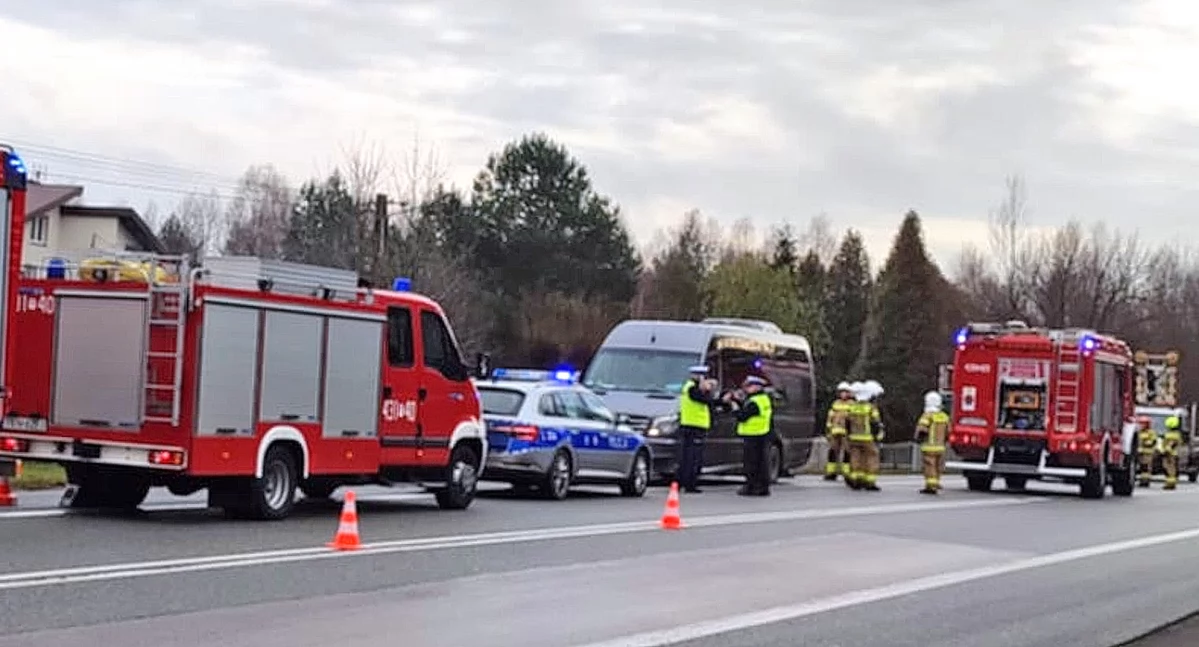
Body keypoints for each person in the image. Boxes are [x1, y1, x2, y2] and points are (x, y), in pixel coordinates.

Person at [726, 375, 773, 496]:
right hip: (761, 434)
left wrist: (734, 408)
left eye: (749, 386)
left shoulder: (755, 402)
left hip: (753, 435)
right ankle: (762, 487)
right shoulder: (762, 399)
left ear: (757, 387)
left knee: (751, 463)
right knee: (761, 463)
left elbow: (743, 416)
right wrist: (736, 400)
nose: (747, 389)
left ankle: (751, 486)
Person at [677, 364, 720, 493]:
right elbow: (705, 401)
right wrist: (708, 391)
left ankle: (681, 482)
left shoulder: (691, 387)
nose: (706, 380)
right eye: (703, 377)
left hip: (693, 425)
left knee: (688, 456)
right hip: (694, 426)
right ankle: (689, 484)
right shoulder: (692, 389)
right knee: (692, 457)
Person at [846, 381, 883, 491]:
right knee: (871, 458)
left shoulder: (852, 407)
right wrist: (877, 436)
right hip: (867, 438)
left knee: (856, 458)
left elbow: (847, 422)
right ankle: (870, 482)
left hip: (854, 437)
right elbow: (875, 423)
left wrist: (849, 435)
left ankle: (856, 479)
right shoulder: (870, 408)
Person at [914, 390, 949, 494]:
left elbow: (922, 430)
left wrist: (917, 439)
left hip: (929, 447)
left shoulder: (927, 415)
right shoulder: (944, 416)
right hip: (940, 448)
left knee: (929, 466)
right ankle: (936, 483)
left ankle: (930, 486)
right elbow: (948, 432)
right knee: (938, 466)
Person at [824, 382, 853, 481]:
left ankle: (846, 473)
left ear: (849, 393)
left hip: (846, 432)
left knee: (847, 452)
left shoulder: (852, 404)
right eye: (842, 392)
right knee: (832, 452)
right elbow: (830, 417)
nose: (843, 394)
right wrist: (828, 430)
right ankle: (831, 473)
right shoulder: (835, 403)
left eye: (845, 392)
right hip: (835, 431)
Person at [1162, 415, 1183, 491]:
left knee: (1170, 469)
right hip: (1173, 453)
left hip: (1170, 454)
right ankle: (1170, 483)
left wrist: (1166, 450)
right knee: (1170, 468)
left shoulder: (1171, 435)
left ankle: (1170, 484)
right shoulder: (1177, 434)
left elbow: (1171, 444)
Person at [1135, 415, 1157, 488]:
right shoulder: (1139, 432)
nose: (1141, 425)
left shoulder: (1151, 432)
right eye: (1140, 423)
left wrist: (1145, 442)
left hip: (1147, 453)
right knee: (1141, 467)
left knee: (1146, 468)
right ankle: (1142, 480)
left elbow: (1153, 441)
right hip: (1140, 453)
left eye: (1143, 423)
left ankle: (1145, 481)